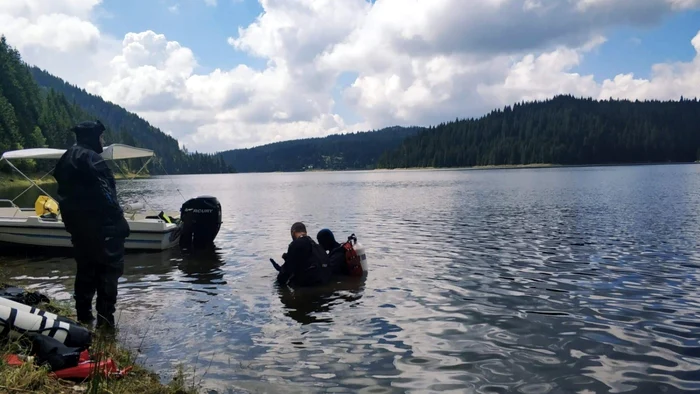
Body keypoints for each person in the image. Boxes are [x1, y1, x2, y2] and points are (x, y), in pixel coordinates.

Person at [53, 120, 129, 330]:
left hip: (78, 229)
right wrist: (119, 221)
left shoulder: (66, 158)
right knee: (108, 273)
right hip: (104, 228)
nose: (103, 142)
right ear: (93, 137)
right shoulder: (92, 159)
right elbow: (106, 192)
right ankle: (105, 328)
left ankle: (83, 319)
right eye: (101, 137)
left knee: (85, 271)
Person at [276, 222, 331, 287]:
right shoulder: (319, 247)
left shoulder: (296, 244)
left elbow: (286, 273)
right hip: (325, 283)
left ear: (293, 232)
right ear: (306, 232)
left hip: (309, 288)